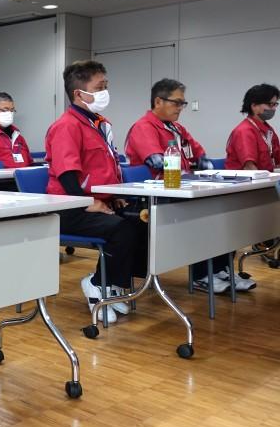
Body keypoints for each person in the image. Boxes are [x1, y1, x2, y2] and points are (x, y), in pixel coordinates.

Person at [125, 78, 252, 292]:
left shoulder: (177, 128)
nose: (180, 108)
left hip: (180, 190)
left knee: (226, 211)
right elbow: (158, 162)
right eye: (176, 102)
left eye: (182, 103)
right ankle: (202, 275)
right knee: (208, 215)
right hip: (155, 198)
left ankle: (220, 268)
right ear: (158, 101)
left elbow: (200, 155)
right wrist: (191, 172)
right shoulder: (143, 127)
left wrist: (203, 166)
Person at [45, 60, 147, 324]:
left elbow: (106, 168)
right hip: (69, 207)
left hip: (97, 201)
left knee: (141, 222)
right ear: (79, 93)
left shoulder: (99, 124)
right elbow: (67, 174)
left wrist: (114, 197)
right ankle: (96, 283)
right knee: (121, 230)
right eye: (99, 87)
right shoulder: (67, 126)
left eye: (106, 86)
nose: (105, 92)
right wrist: (87, 204)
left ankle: (113, 283)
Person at [225, 83, 280, 171]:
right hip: (249, 179)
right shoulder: (244, 131)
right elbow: (249, 168)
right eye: (270, 104)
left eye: (275, 104)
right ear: (254, 106)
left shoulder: (268, 130)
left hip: (267, 177)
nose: (273, 109)